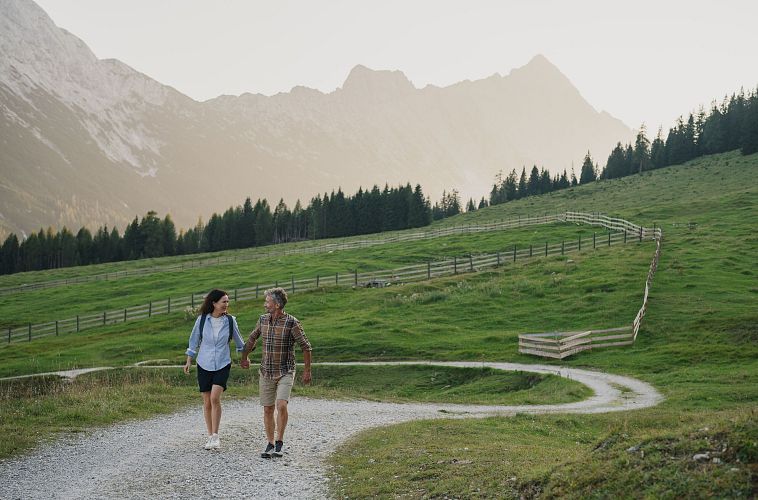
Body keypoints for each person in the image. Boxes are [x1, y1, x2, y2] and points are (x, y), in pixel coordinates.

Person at [240, 287, 312, 458]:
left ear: (277, 304)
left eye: (267, 302)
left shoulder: (292, 322)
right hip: (266, 371)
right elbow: (252, 338)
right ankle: (270, 443)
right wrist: (244, 357)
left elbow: (306, 347)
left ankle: (279, 442)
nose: (265, 304)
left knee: (281, 405)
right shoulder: (263, 320)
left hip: (286, 370)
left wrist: (307, 370)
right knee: (267, 409)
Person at [183, 288, 245, 450]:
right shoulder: (202, 320)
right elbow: (193, 341)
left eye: (227, 301)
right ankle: (210, 435)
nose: (226, 304)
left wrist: (245, 357)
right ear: (214, 303)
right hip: (204, 363)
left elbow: (239, 343)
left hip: (223, 363)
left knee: (215, 398)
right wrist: (189, 360)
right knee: (206, 401)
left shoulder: (231, 321)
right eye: (223, 301)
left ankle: (216, 436)